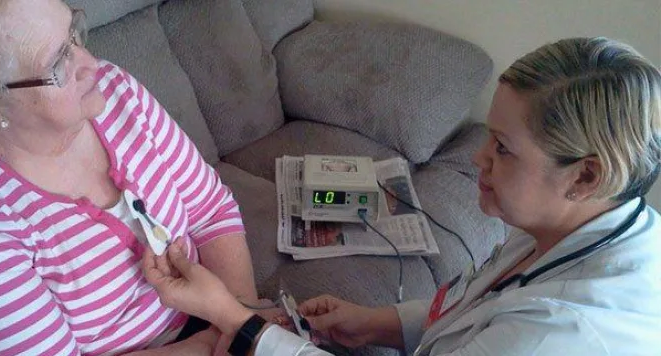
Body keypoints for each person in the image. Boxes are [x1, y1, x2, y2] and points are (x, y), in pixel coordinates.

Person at [142, 37, 661, 355]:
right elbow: (477, 303)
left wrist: (237, 321)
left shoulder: (559, 336)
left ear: (585, 177)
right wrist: (373, 324)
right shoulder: (584, 225)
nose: (479, 159)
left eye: (503, 149)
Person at [0, 0, 265, 354]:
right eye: (58, 63)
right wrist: (233, 338)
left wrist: (245, 319)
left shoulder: (116, 95)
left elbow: (212, 211)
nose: (91, 64)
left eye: (73, 33)